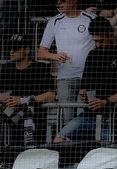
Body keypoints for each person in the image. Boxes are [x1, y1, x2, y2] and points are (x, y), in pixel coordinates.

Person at [54, 17, 117, 143]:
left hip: (113, 117)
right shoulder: (93, 55)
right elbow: (85, 83)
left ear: (111, 35)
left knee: (106, 152)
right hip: (89, 115)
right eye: (95, 41)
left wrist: (105, 102)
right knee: (59, 140)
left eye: (101, 41)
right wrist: (83, 93)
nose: (98, 44)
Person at [38, 0, 97, 130]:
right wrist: (55, 56)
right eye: (57, 1)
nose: (59, 3)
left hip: (90, 77)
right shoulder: (54, 21)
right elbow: (41, 52)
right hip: (65, 76)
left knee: (91, 114)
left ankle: (91, 147)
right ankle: (68, 147)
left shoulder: (90, 18)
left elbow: (103, 41)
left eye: (63, 1)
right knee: (67, 117)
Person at [0, 33, 56, 146]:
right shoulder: (7, 68)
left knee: (35, 152)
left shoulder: (40, 68)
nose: (11, 51)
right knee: (15, 150)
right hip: (14, 118)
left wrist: (22, 100)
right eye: (10, 48)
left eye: (16, 48)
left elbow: (50, 95)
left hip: (36, 118)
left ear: (27, 50)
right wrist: (8, 99)